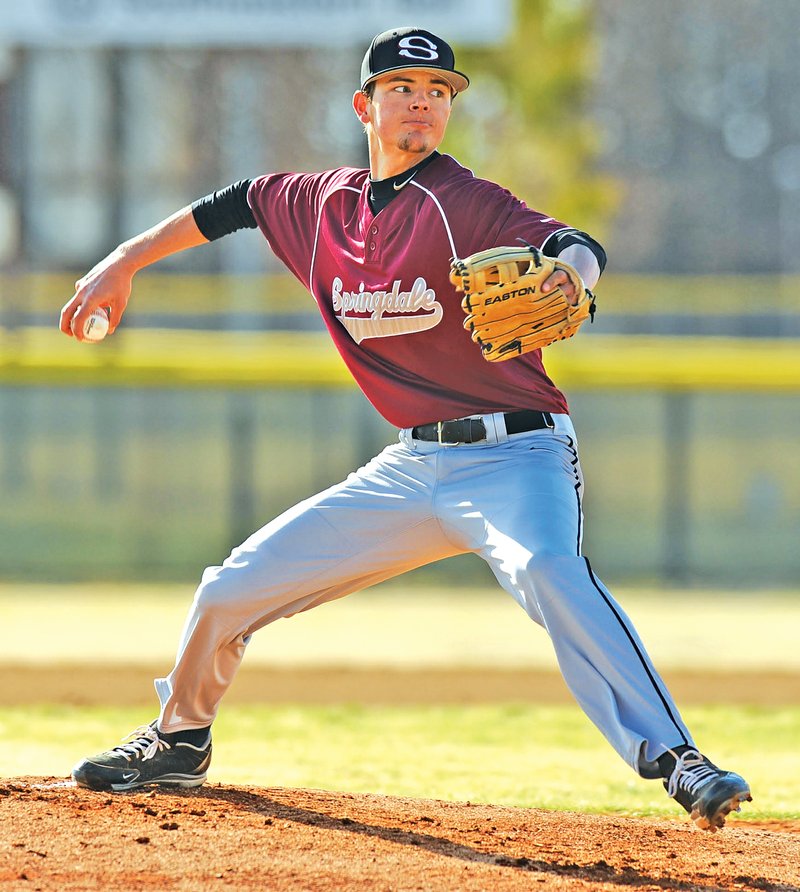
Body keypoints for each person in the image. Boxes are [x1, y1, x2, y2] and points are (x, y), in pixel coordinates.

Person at [60, 26, 751, 831]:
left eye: (437, 94)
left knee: (553, 573)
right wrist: (122, 263)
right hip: (410, 469)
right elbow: (229, 206)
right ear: (366, 104)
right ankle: (180, 739)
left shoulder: (462, 200)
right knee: (228, 589)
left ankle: (679, 760)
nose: (421, 106)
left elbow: (572, 241)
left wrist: (570, 273)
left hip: (518, 454)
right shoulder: (318, 204)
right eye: (402, 90)